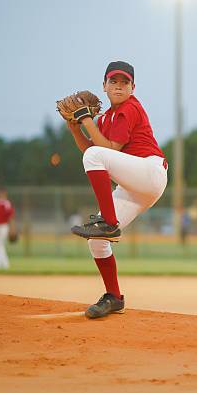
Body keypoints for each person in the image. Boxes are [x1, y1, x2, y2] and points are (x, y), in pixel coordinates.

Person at [66, 60, 168, 319]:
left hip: (150, 172)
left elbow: (106, 152)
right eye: (114, 81)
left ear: (133, 88)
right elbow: (92, 149)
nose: (119, 86)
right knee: (98, 242)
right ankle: (114, 297)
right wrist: (75, 128)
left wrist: (87, 121)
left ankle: (109, 222)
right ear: (104, 86)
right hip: (136, 186)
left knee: (95, 158)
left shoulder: (129, 109)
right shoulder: (107, 117)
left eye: (125, 82)